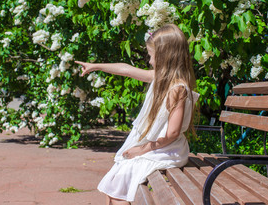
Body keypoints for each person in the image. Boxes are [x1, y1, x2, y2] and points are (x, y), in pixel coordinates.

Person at [75, 24, 199, 205]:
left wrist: (140, 150)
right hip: (159, 148)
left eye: (151, 56)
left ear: (166, 57)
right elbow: (126, 69)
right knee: (116, 182)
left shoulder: (177, 89)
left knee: (119, 182)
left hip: (168, 151)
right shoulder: (161, 78)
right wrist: (96, 66)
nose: (149, 61)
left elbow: (172, 134)